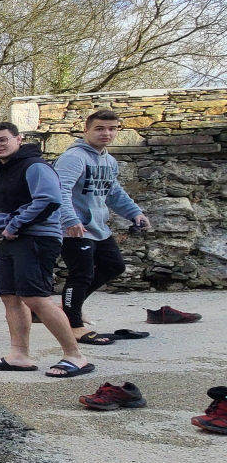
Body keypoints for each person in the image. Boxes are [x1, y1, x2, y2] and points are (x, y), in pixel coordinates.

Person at [0, 122, 92, 378]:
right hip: (12, 239)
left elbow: (49, 201)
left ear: (19, 139)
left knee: (35, 297)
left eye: (2, 140)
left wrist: (13, 225)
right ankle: (19, 355)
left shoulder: (35, 166)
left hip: (38, 238)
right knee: (10, 296)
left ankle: (75, 356)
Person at [53, 109, 151, 349]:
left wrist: (134, 213)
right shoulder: (74, 158)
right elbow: (59, 190)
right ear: (86, 130)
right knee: (81, 274)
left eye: (112, 128)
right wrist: (69, 220)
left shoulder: (109, 160)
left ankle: (68, 309)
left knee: (114, 266)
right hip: (74, 229)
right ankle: (74, 325)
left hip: (98, 228)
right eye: (99, 128)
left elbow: (114, 193)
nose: (106, 133)